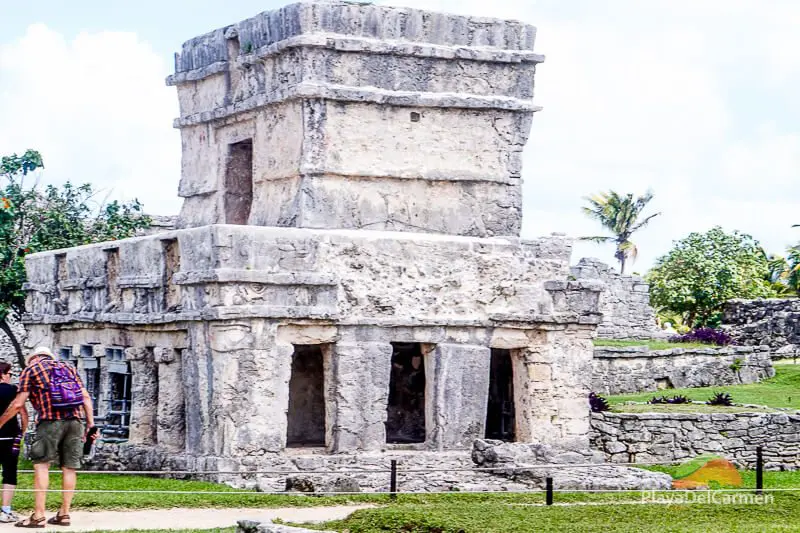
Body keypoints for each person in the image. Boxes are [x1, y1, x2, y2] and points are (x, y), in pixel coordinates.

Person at [0, 347, 96, 528]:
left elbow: (18, 403)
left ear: (33, 359)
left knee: (41, 465)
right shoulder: (68, 367)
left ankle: (38, 515)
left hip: (50, 421)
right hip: (75, 422)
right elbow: (85, 397)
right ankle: (64, 514)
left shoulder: (32, 369)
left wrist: (1, 422)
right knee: (69, 467)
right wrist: (90, 424)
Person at [0, 362, 28, 522]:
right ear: (3, 374)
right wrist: (22, 432)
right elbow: (22, 412)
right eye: (10, 374)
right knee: (9, 473)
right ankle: (6, 510)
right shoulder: (12, 390)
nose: (11, 377)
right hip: (9, 437)